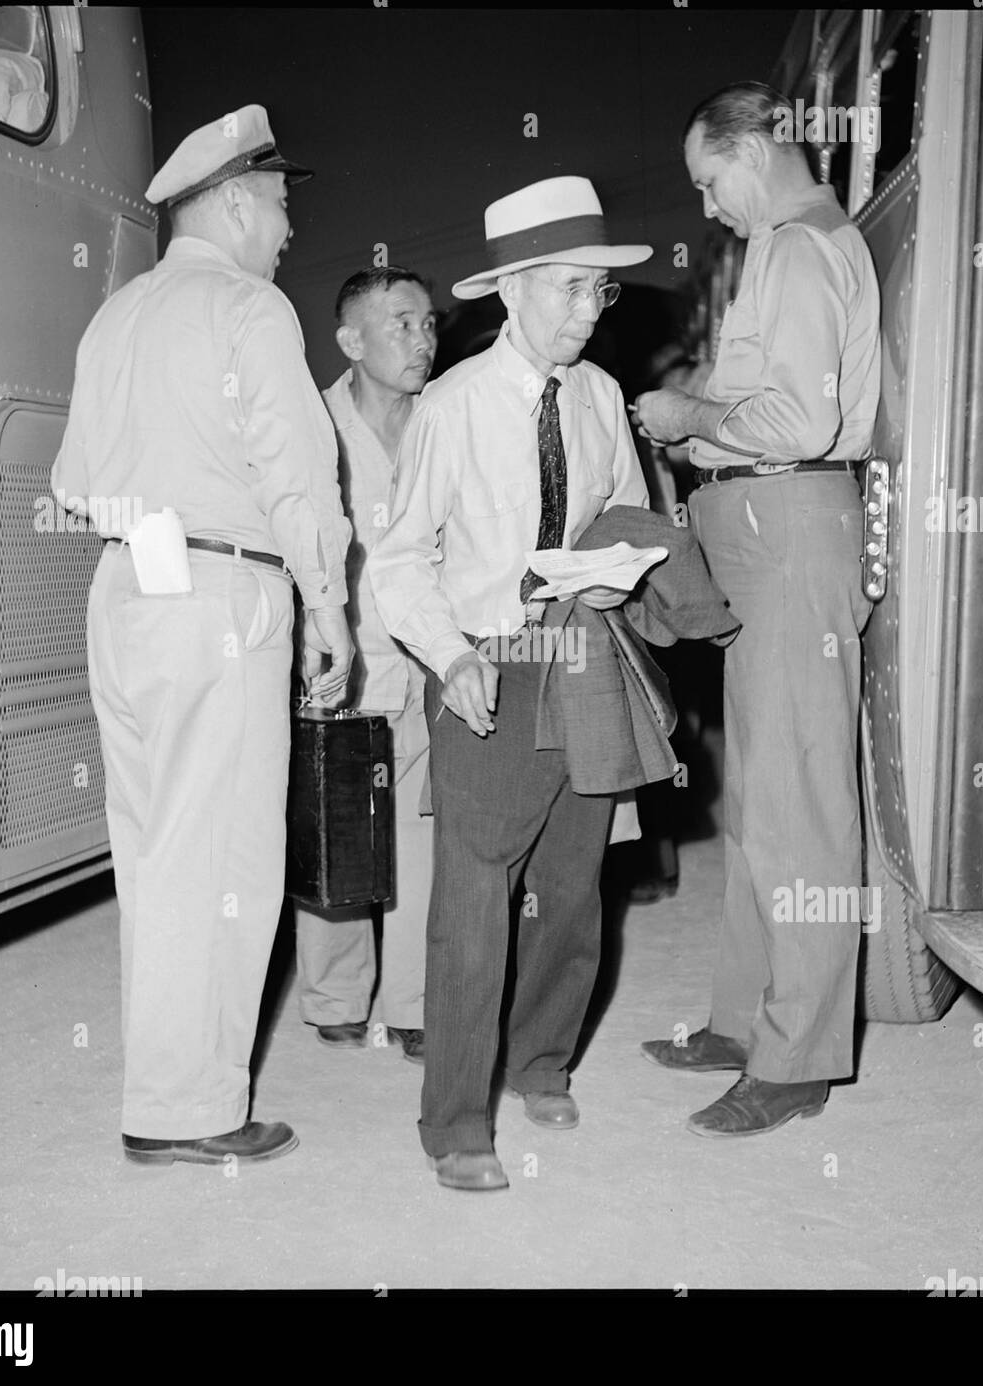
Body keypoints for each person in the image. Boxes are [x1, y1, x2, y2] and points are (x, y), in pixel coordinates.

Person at [53, 105, 352, 1166]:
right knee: (224, 856)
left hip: (125, 591)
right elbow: (297, 480)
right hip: (220, 594)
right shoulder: (248, 309)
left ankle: (164, 1092)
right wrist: (330, 609)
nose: (284, 231)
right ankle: (191, 1112)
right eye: (277, 206)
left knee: (154, 855)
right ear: (232, 200)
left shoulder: (115, 316)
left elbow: (76, 483)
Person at [368, 176, 652, 1191]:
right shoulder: (448, 408)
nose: (587, 311)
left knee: (573, 888)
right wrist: (449, 658)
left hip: (580, 653)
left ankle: (541, 1060)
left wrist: (616, 564)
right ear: (515, 289)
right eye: (571, 289)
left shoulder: (601, 398)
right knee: (473, 901)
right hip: (487, 663)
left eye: (598, 294)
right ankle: (453, 1122)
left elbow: (629, 512)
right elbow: (396, 563)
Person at [634, 82, 880, 1136]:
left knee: (800, 811)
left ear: (755, 148)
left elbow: (800, 415)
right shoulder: (781, 249)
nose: (708, 206)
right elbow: (763, 407)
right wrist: (699, 432)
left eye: (709, 180)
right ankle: (746, 1020)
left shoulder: (797, 245)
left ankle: (799, 1059)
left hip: (788, 536)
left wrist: (687, 415)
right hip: (761, 534)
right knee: (757, 809)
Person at [294, 267, 438, 1065]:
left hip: (427, 658)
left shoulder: (444, 417)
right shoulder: (309, 423)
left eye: (427, 324)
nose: (422, 339)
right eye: (402, 324)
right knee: (336, 818)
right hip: (343, 658)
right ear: (351, 341)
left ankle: (413, 1003)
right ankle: (336, 998)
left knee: (421, 829)